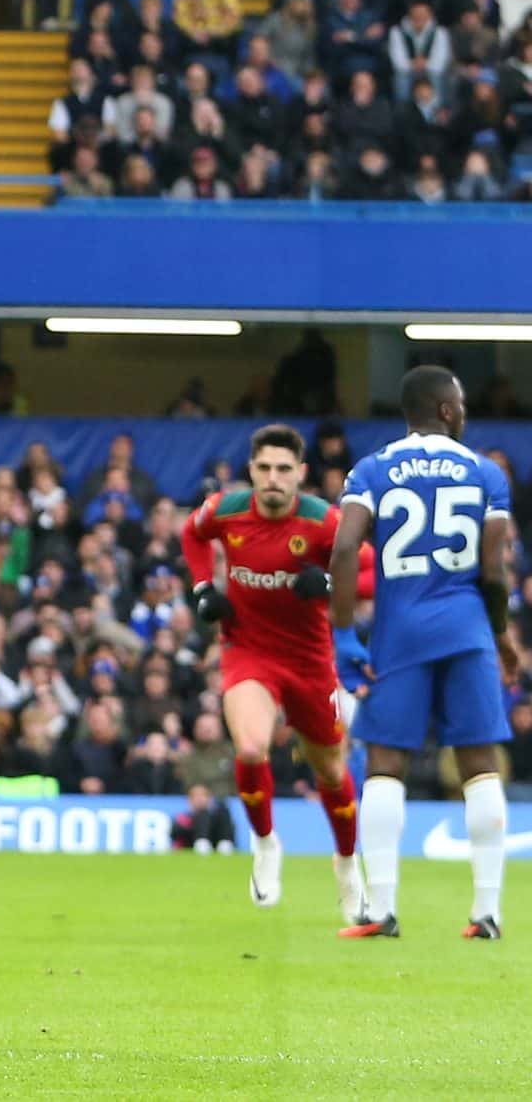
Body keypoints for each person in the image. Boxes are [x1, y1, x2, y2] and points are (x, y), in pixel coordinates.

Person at [333, 366, 516, 940]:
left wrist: (342, 636)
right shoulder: (486, 472)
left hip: (401, 631)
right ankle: (486, 913)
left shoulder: (373, 469)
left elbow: (342, 553)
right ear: (444, 409)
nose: (463, 412)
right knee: (479, 766)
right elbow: (494, 569)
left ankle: (381, 910)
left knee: (386, 767)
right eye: (459, 404)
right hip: (467, 630)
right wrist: (503, 638)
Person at [181, 424, 372, 923]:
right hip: (248, 652)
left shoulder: (324, 522)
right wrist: (204, 587)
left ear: (301, 474)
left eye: (283, 469)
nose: (273, 478)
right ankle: (266, 842)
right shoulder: (225, 509)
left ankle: (348, 864)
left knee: (331, 771)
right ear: (252, 471)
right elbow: (191, 533)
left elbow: (372, 569)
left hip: (310, 661)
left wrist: (330, 581)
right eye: (264, 468)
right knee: (249, 748)